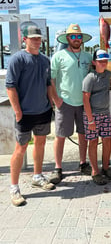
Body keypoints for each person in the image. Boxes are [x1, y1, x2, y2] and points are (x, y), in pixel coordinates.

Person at [6, 26, 55, 206]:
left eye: (38, 38)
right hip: (24, 113)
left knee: (41, 143)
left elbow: (48, 83)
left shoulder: (45, 60)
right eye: (32, 38)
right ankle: (14, 187)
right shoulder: (17, 59)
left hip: (43, 110)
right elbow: (10, 87)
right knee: (21, 148)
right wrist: (18, 111)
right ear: (24, 39)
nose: (36, 41)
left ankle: (37, 175)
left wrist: (52, 103)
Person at [49, 24, 92, 184]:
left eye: (78, 36)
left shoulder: (88, 57)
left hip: (84, 103)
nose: (76, 39)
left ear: (82, 39)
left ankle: (83, 163)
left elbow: (95, 76)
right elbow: (51, 79)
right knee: (60, 136)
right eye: (73, 36)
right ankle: (58, 168)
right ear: (67, 38)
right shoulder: (58, 56)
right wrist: (56, 100)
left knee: (83, 134)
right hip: (64, 102)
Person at [82, 49, 111, 185]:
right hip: (92, 115)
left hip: (105, 113)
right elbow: (85, 99)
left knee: (107, 140)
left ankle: (106, 168)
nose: (103, 64)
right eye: (100, 61)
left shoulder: (108, 74)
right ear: (94, 62)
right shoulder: (89, 78)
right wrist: (90, 119)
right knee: (93, 142)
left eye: (105, 61)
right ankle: (95, 171)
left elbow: (109, 87)